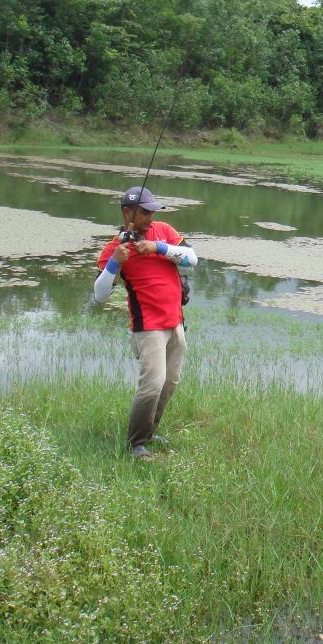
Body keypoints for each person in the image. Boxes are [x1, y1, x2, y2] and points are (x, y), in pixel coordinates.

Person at [94, 186, 198, 460]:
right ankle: (136, 444)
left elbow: (192, 260)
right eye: (144, 212)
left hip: (175, 322)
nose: (150, 217)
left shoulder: (163, 231)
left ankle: (149, 432)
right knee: (153, 384)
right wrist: (115, 263)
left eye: (152, 211)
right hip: (148, 327)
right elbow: (100, 295)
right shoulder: (113, 249)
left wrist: (159, 248)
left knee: (170, 382)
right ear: (127, 213)